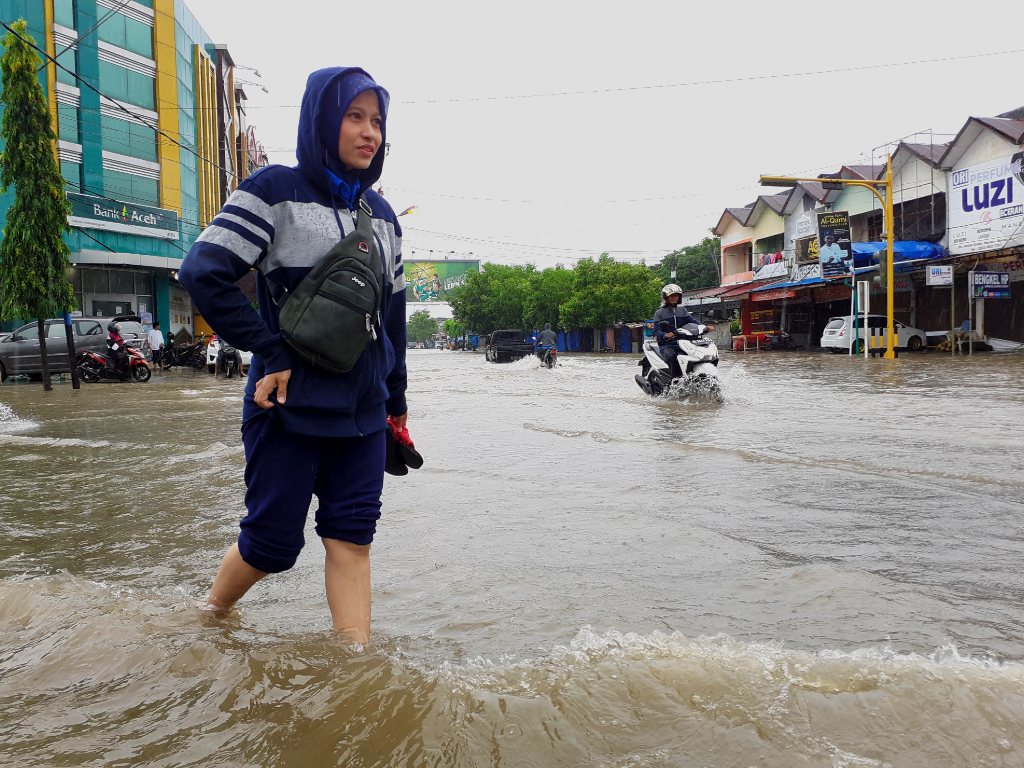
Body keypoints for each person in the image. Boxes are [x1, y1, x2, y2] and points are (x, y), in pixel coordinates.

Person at [178, 66, 407, 643]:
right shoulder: (273, 189)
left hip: (363, 412)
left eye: (376, 120)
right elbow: (203, 272)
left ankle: (356, 671)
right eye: (354, 117)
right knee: (272, 545)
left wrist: (396, 401)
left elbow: (393, 318)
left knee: (352, 538)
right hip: (286, 402)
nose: (369, 133)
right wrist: (269, 348)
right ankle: (209, 618)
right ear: (321, 120)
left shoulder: (381, 216)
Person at [654, 284, 713, 373]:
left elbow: (692, 321)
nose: (674, 297)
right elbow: (656, 330)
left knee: (696, 354)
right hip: (667, 344)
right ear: (666, 297)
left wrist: (704, 327)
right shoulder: (659, 313)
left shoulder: (682, 310)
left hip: (682, 342)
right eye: (671, 296)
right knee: (672, 356)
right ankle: (674, 382)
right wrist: (665, 335)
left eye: (676, 295)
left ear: (679, 297)